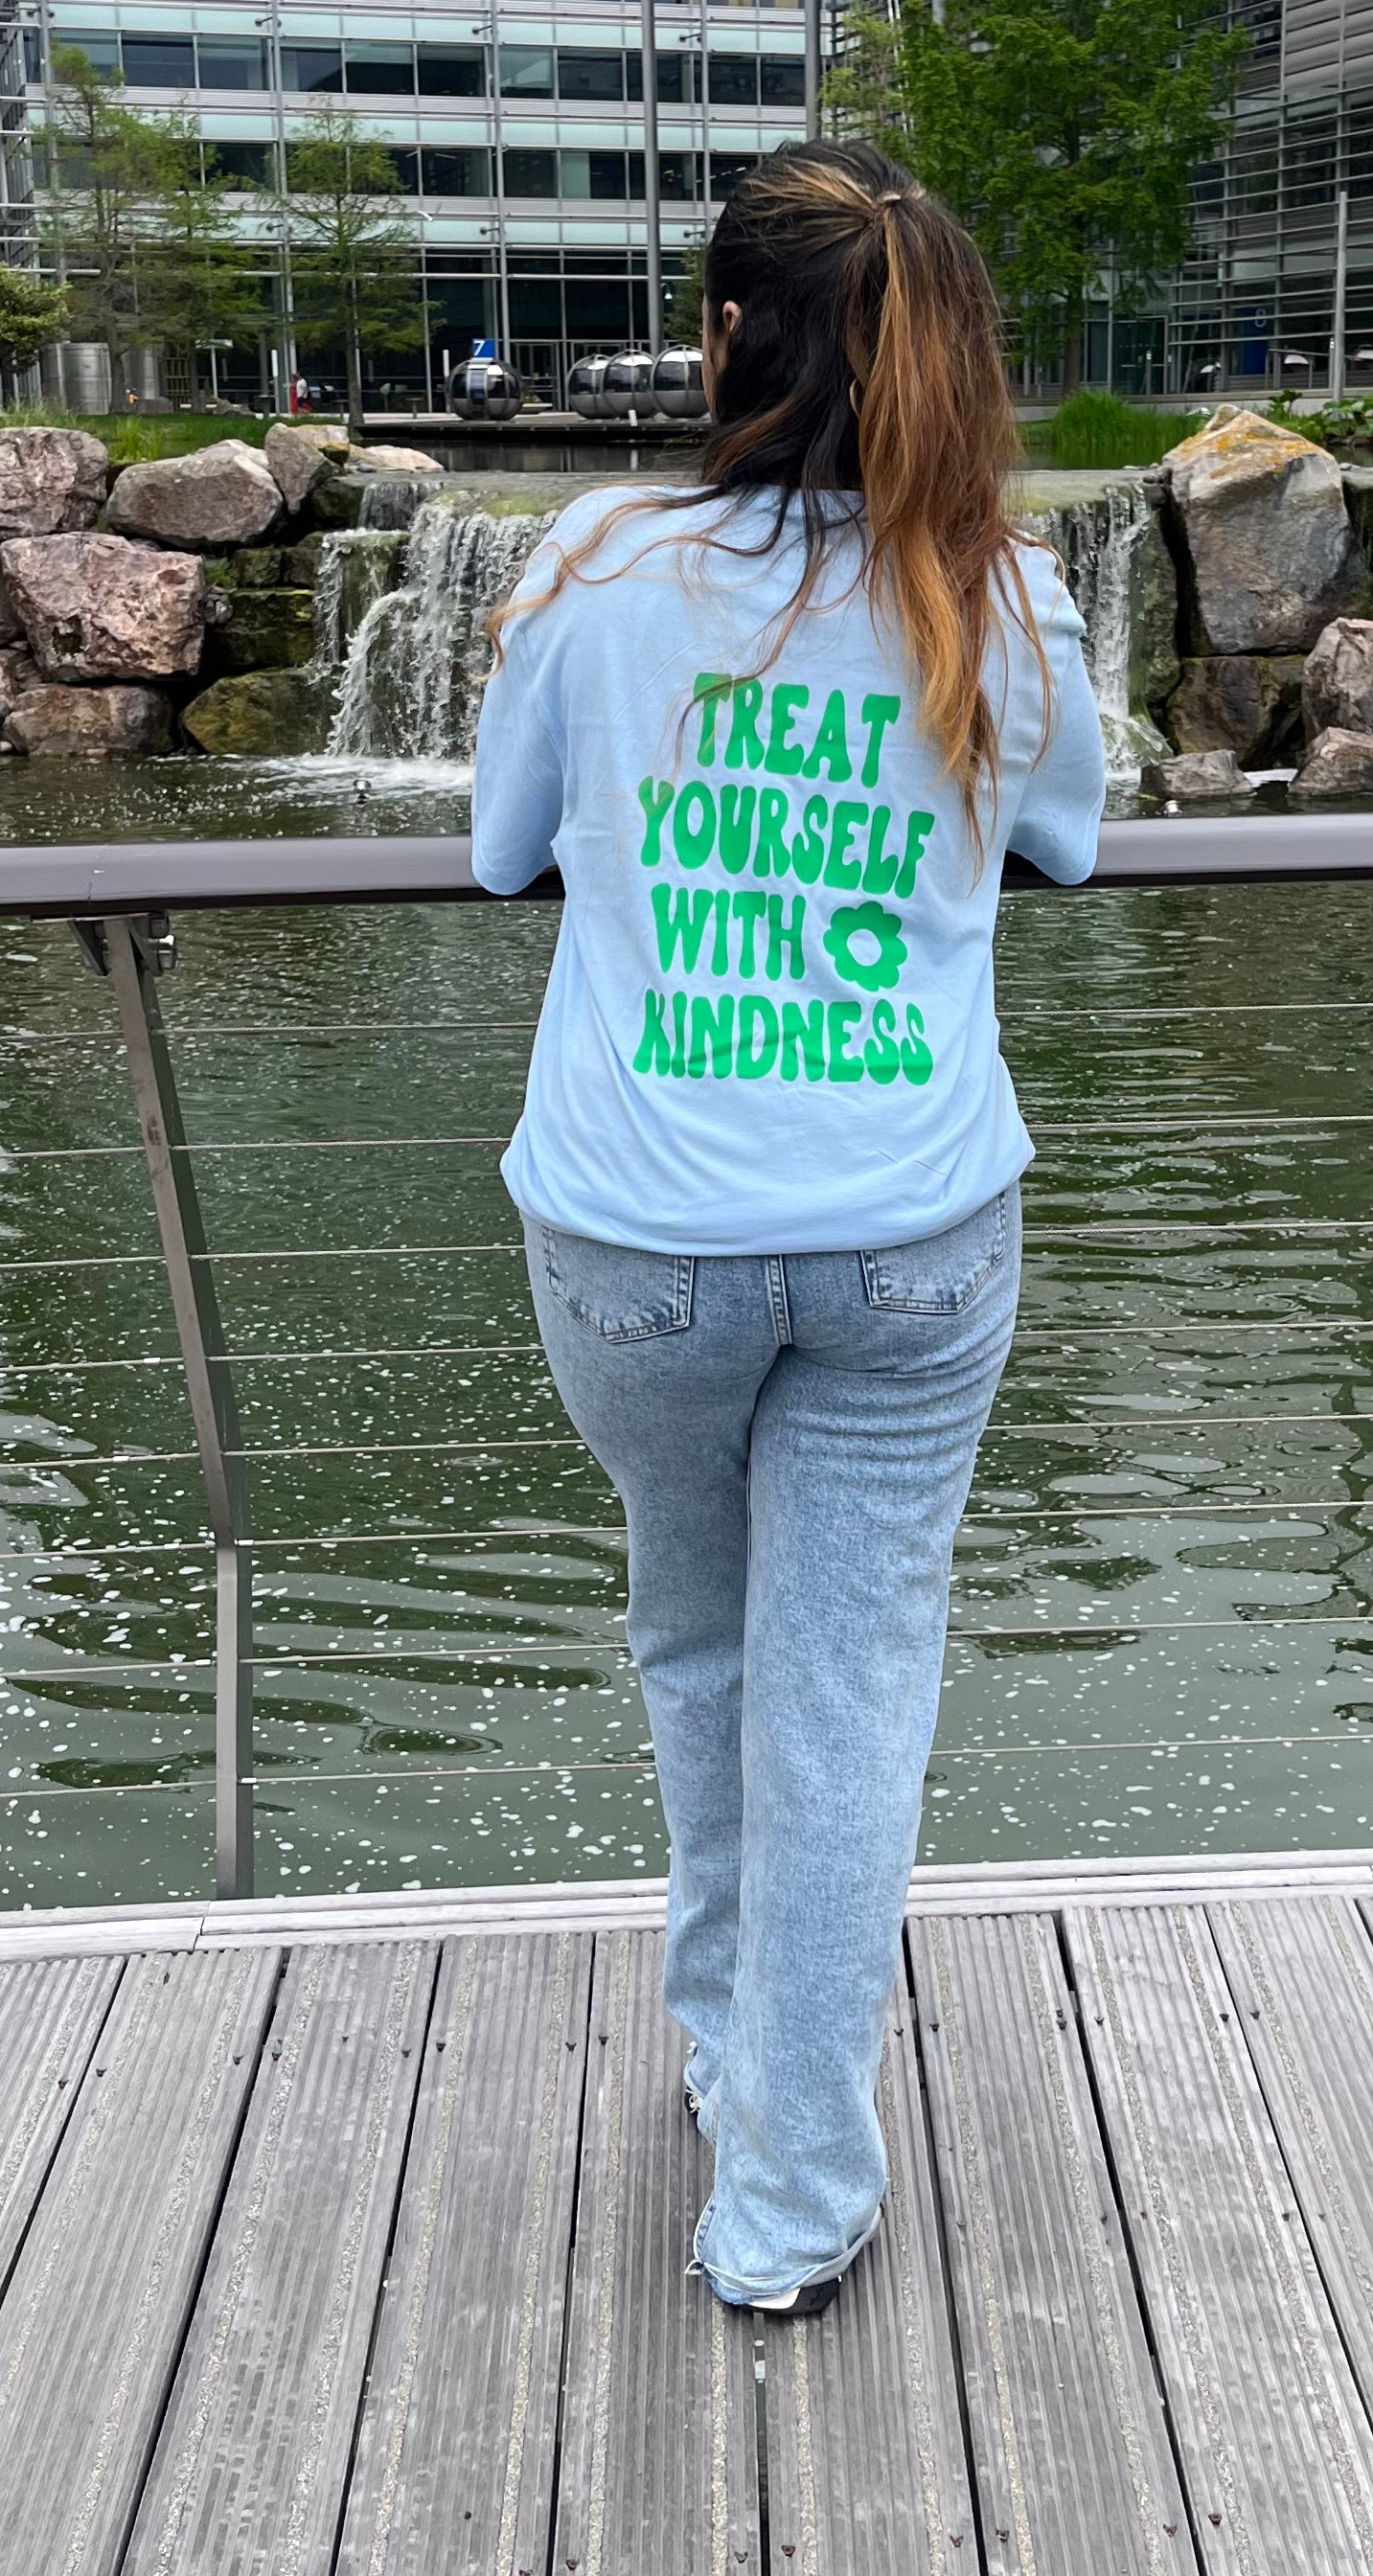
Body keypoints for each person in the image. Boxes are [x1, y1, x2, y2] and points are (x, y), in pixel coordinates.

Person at [471, 143, 1105, 2318]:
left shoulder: (594, 558)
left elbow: (501, 851)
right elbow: (1071, 844)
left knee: (702, 1642)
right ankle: (789, 2192)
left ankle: (731, 2046)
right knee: (845, 1702)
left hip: (635, 1235)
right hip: (917, 1238)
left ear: (724, 335)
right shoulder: (1002, 588)